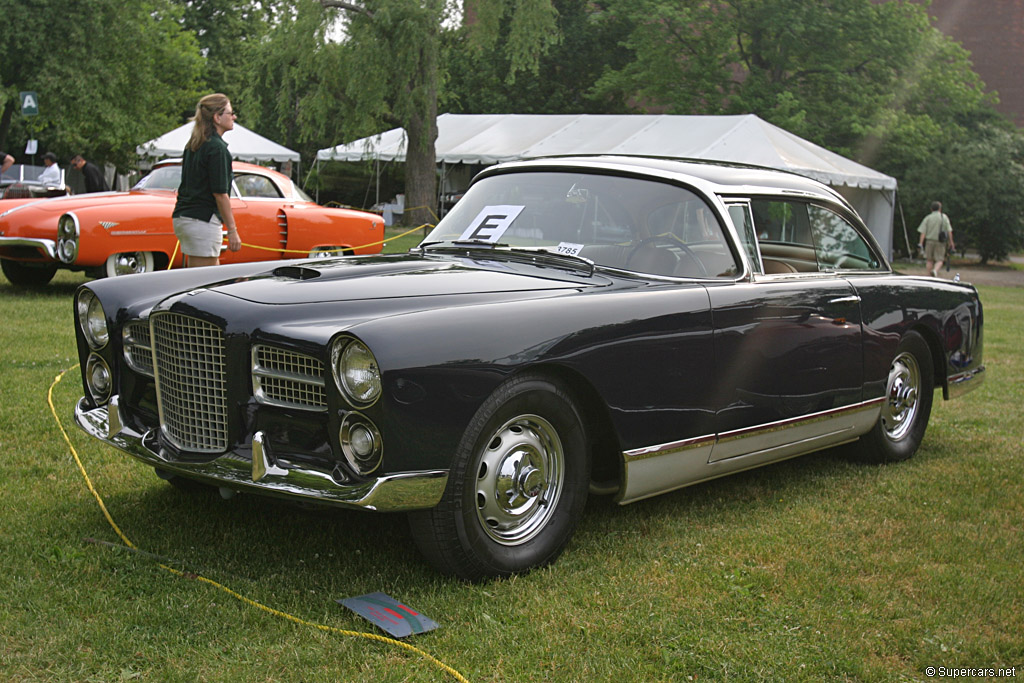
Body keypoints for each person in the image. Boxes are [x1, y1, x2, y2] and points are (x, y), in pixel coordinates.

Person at [172, 93, 241, 267]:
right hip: (202, 219)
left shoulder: (194, 143)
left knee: (201, 277)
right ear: (217, 117)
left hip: (185, 217)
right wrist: (232, 231)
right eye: (230, 113)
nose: (234, 117)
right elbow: (220, 194)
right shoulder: (216, 148)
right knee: (205, 282)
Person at [917, 201, 956, 277]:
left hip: (929, 241)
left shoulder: (928, 218)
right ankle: (935, 270)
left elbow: (923, 232)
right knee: (940, 259)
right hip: (940, 242)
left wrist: (920, 243)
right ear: (940, 209)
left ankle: (929, 275)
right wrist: (951, 242)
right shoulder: (944, 217)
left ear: (931, 209)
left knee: (929, 260)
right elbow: (949, 231)